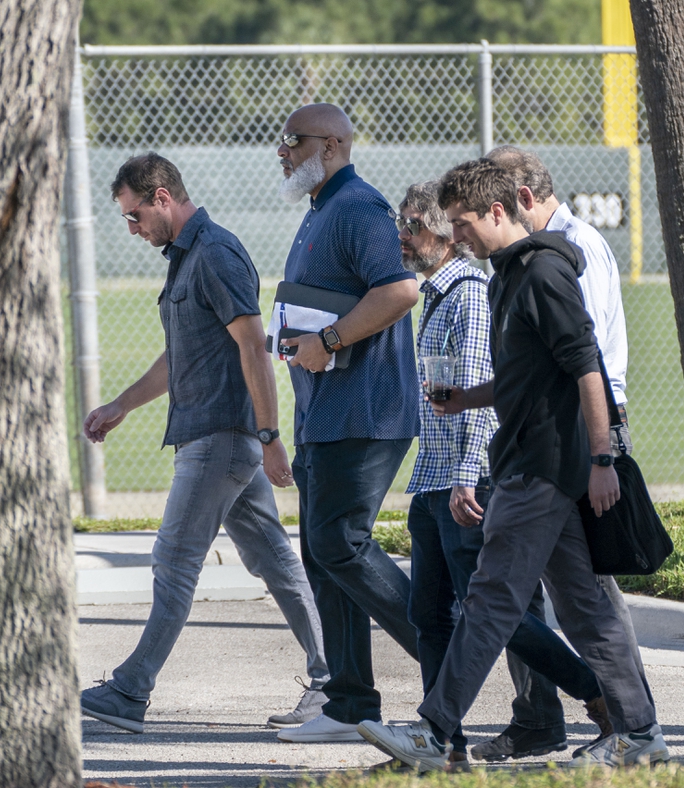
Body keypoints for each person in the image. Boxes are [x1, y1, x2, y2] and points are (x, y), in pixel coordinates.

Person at [357, 158, 669, 771]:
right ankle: (641, 735)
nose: (457, 235)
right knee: (588, 609)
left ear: (499, 210)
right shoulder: (505, 275)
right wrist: (467, 398)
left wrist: (603, 458)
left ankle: (432, 732)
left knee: (491, 599)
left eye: (463, 222)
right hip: (534, 464)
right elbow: (526, 377)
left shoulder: (545, 273)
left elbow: (588, 368)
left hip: (543, 469)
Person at [77, 153, 329, 734]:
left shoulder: (214, 253)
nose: (133, 229)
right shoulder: (187, 259)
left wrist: (269, 437)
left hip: (220, 439)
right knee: (274, 560)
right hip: (218, 437)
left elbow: (252, 345)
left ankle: (131, 691)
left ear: (162, 197)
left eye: (134, 215)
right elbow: (181, 355)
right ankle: (331, 682)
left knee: (174, 559)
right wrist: (120, 405)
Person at [474, 144, 652, 761]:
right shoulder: (522, 262)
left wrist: (599, 457)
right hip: (536, 438)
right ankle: (540, 717)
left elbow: (587, 362)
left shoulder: (575, 251)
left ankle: (628, 722)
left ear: (520, 200)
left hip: (582, 431)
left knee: (590, 593)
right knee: (523, 589)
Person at [271, 103, 421, 743]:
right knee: (320, 551)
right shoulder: (321, 211)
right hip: (323, 414)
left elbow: (400, 290)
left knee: (340, 543)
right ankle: (350, 705)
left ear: (330, 143)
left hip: (365, 410)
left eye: (292, 141)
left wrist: (328, 339)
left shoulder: (358, 205)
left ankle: (449, 660)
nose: (282, 151)